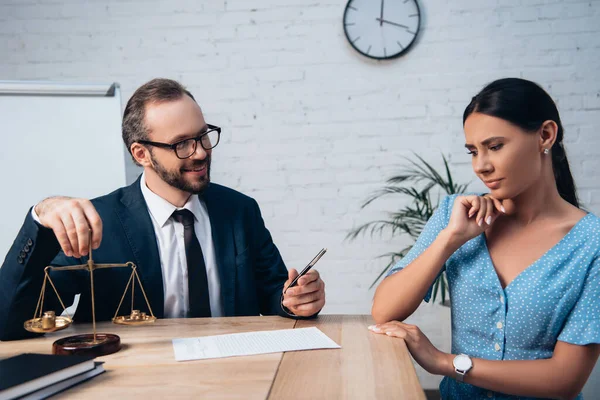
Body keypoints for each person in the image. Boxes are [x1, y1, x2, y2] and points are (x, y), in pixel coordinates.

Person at [0, 78, 325, 341]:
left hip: (232, 370)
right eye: (181, 143)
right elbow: (10, 322)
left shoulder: (240, 210)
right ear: (141, 154)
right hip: (138, 381)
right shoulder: (98, 221)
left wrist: (294, 301)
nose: (200, 153)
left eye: (203, 136)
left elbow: (273, 291)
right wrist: (39, 218)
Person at [368, 78, 600, 399]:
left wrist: (445, 362)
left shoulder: (591, 245)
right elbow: (384, 310)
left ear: (545, 135)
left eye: (495, 146)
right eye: (473, 151)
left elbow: (566, 379)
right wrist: (450, 239)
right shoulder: (457, 214)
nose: (481, 166)